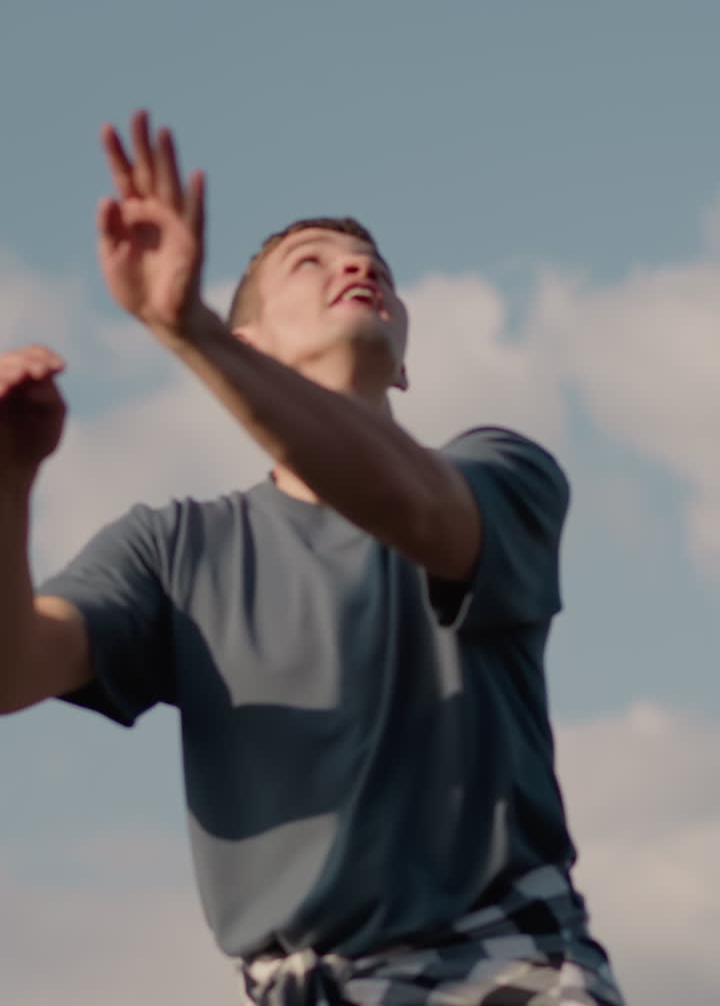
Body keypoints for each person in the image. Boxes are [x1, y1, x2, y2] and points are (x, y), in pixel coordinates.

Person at [0, 113, 625, 1006]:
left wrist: (186, 330)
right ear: (251, 346)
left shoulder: (504, 473)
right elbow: (12, 669)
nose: (359, 268)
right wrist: (10, 484)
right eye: (312, 261)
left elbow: (409, 504)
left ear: (403, 363)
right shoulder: (174, 549)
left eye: (377, 268)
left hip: (508, 971)